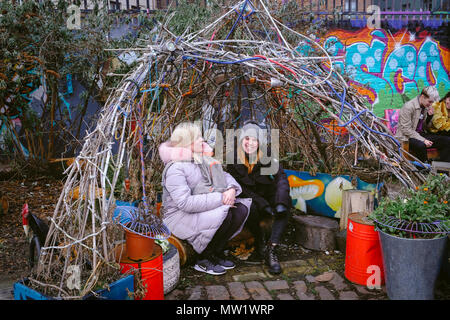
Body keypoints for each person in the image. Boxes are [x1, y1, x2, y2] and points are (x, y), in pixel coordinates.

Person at [158, 122, 252, 276]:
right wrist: (221, 198)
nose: (203, 140)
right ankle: (203, 259)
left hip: (201, 207)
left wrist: (230, 189)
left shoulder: (200, 159)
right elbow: (185, 203)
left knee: (240, 210)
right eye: (198, 138)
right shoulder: (176, 168)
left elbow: (224, 176)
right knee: (225, 213)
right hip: (178, 216)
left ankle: (216, 251)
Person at [226, 120, 292, 275]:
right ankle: (259, 241)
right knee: (251, 207)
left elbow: (281, 178)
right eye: (247, 139)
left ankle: (272, 249)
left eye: (254, 139)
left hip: (269, 195)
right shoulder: (233, 158)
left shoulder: (268, 154)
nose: (250, 143)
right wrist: (263, 204)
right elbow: (243, 189)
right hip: (251, 199)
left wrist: (280, 202)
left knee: (285, 203)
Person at [395, 86, 450, 162]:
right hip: (407, 137)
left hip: (420, 135)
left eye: (432, 102)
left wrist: (429, 117)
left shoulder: (425, 106)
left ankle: (442, 168)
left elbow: (426, 127)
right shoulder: (408, 107)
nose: (431, 104)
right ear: (423, 97)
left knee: (447, 140)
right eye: (430, 101)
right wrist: (423, 140)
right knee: (421, 145)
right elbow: (406, 129)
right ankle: (423, 168)